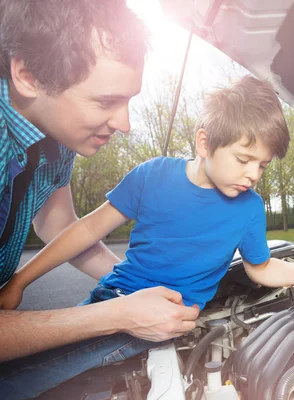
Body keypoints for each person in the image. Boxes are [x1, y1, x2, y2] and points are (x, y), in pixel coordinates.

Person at [0, 75, 294, 398]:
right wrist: (20, 281)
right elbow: (86, 229)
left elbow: (260, 267)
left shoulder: (249, 208)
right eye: (244, 159)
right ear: (204, 142)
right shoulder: (151, 176)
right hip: (115, 302)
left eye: (262, 165)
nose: (253, 174)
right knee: (20, 378)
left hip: (163, 325)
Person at [0, 0, 200, 365]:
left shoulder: (58, 137)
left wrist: (136, 285)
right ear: (27, 76)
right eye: (106, 101)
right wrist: (117, 313)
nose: (124, 124)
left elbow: (57, 224)